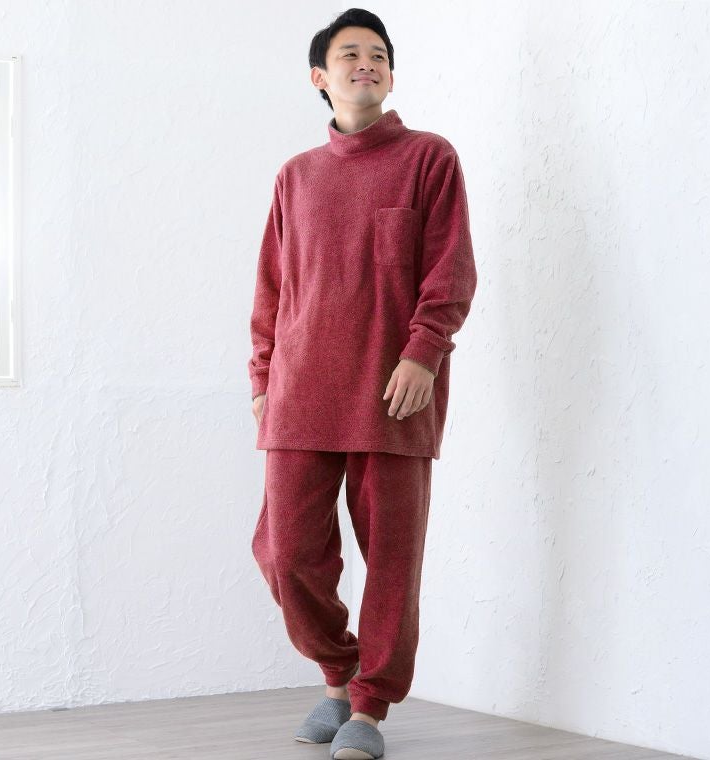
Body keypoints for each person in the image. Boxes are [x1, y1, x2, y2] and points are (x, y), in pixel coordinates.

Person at [248, 8, 477, 759]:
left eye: (378, 54)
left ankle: (370, 708)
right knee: (284, 553)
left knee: (392, 563)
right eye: (350, 54)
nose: (366, 63)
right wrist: (262, 378)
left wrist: (423, 353)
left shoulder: (429, 159)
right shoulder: (296, 176)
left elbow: (450, 270)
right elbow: (273, 290)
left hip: (393, 393)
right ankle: (339, 675)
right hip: (299, 393)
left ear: (391, 75)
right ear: (321, 76)